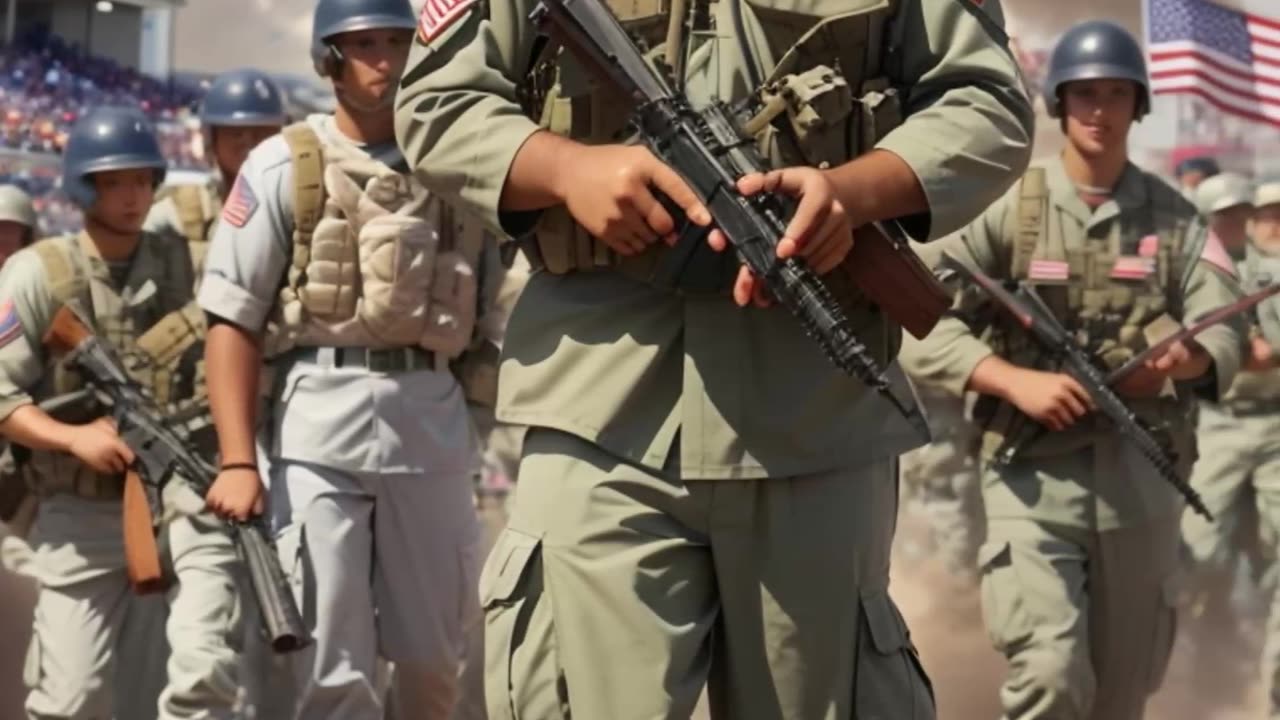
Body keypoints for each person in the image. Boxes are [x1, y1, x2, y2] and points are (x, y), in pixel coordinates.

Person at [395, 0, 1035, 716]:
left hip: (814, 410)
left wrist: (854, 193)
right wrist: (567, 169)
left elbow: (990, 103)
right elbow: (436, 102)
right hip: (601, 409)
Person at [901, 20, 1246, 719]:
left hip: (1141, 484)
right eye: (1083, 93)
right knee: (1052, 674)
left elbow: (1227, 320)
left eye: (1115, 94)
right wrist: (1006, 378)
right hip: (1029, 477)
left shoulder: (1180, 222)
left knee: (1120, 697)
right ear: (1059, 102)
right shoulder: (1011, 209)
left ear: (1137, 105)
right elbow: (916, 310)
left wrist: (1188, 360)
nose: (1098, 110)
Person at [196, 0, 501, 717]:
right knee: (333, 670)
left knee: (434, 662)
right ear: (328, 56)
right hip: (318, 426)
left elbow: (493, 311)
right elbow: (231, 321)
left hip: (430, 424)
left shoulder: (459, 166)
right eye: (364, 43)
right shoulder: (282, 164)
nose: (385, 60)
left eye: (398, 41)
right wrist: (239, 460)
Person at [0, 106, 244, 720]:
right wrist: (71, 438)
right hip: (83, 506)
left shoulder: (188, 263)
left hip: (186, 494)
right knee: (70, 699)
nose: (132, 197)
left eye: (140, 180)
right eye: (113, 182)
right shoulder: (37, 272)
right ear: (83, 186)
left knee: (204, 667)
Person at [1180, 174, 1280, 715]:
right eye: (1224, 216)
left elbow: (1266, 351)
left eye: (1244, 215)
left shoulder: (1268, 271)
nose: (1238, 225)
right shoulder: (1190, 272)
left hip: (1273, 427)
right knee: (1194, 557)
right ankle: (1187, 685)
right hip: (1215, 425)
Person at [146, 68, 288, 277]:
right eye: (236, 134)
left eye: (262, 134)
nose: (249, 144)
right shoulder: (180, 213)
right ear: (212, 139)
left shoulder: (299, 212)